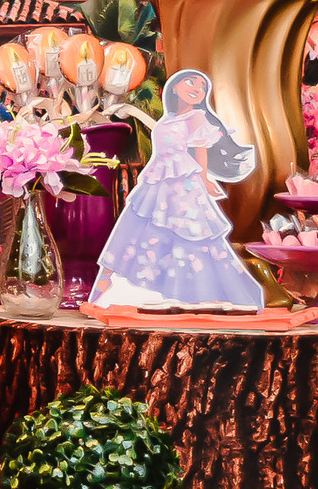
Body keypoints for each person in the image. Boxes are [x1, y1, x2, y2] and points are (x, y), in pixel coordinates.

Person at [91, 69, 264, 311]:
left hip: (183, 183)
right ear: (174, 87)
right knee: (141, 228)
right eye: (190, 82)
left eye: (202, 87)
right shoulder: (168, 119)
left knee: (187, 233)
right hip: (158, 180)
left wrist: (204, 179)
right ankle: (133, 289)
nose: (196, 88)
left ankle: (188, 295)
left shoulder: (196, 118)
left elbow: (200, 149)